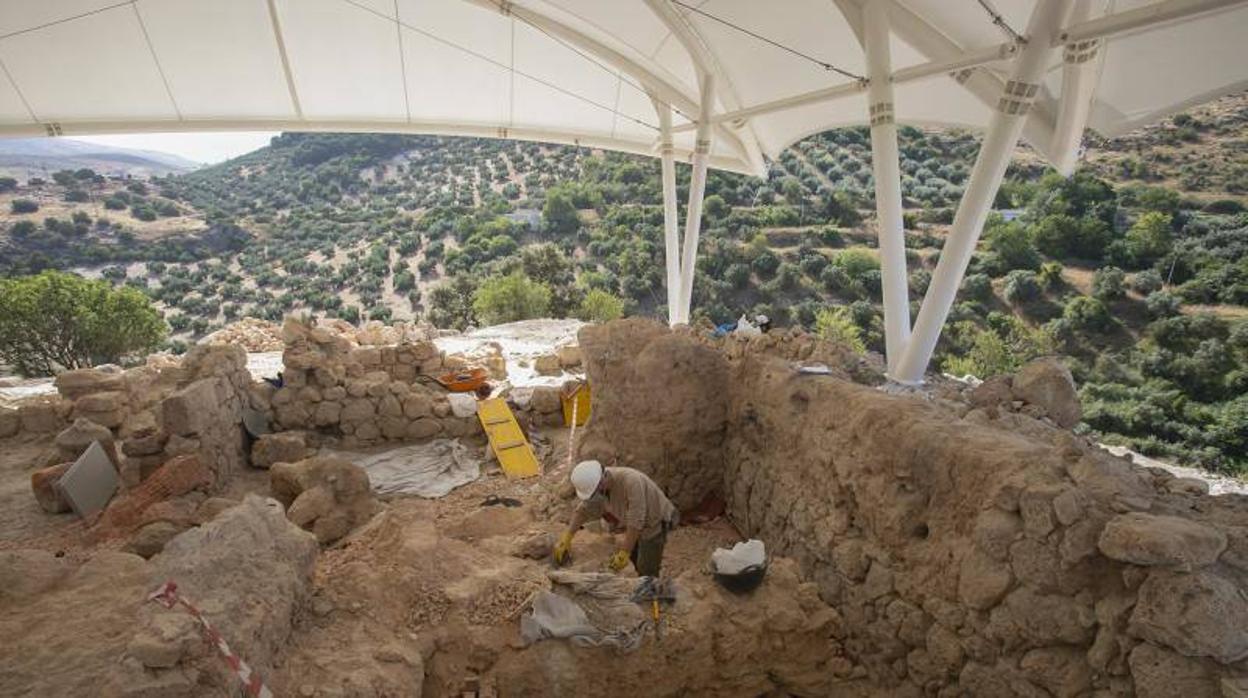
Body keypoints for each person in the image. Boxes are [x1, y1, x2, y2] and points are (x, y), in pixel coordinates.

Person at [553, 460, 678, 577]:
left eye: (596, 491)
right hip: (635, 522)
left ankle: (652, 595)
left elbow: (636, 520)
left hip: (654, 521)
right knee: (633, 556)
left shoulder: (631, 481)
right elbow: (583, 510)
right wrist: (567, 537)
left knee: (646, 566)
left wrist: (624, 552)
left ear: (603, 479)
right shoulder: (599, 485)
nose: (596, 495)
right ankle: (638, 576)